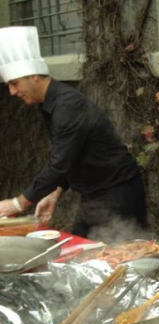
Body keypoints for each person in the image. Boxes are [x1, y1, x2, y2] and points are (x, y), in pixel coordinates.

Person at [0, 26, 147, 239]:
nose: (12, 92)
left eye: (14, 84)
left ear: (33, 76)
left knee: (123, 259)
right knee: (80, 250)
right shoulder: (50, 104)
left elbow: (59, 163)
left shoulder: (68, 106)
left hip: (117, 194)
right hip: (92, 195)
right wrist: (54, 193)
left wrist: (18, 203)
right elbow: (72, 154)